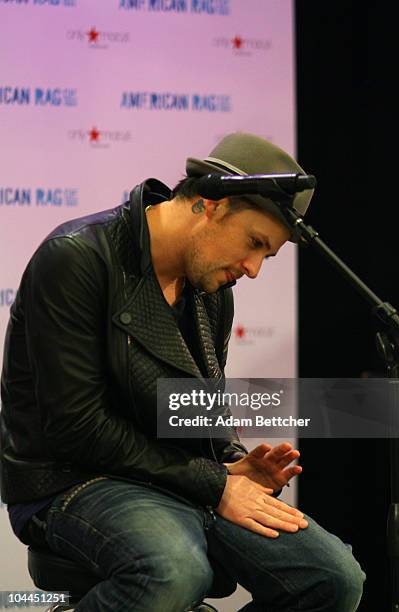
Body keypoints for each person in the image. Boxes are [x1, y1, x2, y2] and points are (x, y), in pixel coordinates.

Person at [0, 133, 365, 611]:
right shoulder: (77, 258)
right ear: (212, 204)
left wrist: (235, 463)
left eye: (267, 256)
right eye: (254, 243)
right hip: (68, 481)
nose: (253, 269)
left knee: (334, 577)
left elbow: (192, 410)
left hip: (176, 480)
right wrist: (215, 484)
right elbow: (77, 428)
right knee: (174, 571)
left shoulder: (212, 291)